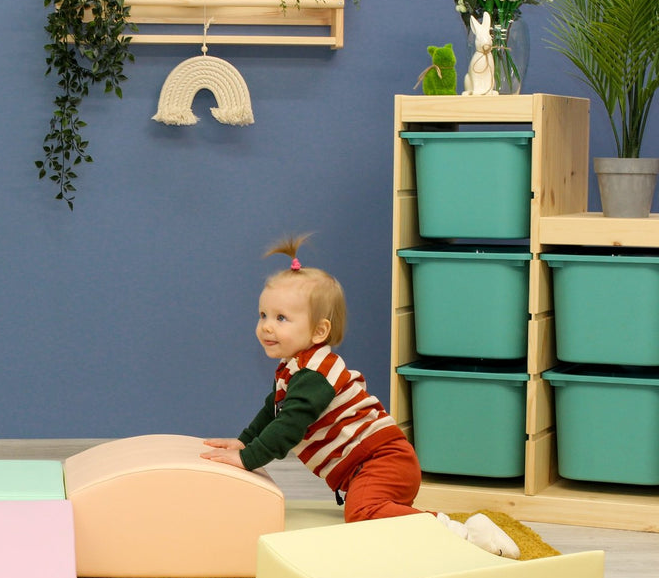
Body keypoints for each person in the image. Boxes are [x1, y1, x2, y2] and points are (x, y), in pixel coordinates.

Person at [201, 235, 520, 558]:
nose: (266, 327)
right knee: (373, 518)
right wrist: (245, 441)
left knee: (362, 513)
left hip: (382, 460)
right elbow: (273, 410)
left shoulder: (315, 376)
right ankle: (420, 530)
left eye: (281, 318)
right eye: (263, 315)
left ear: (319, 331)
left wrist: (249, 457)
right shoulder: (294, 368)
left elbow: (287, 427)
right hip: (368, 467)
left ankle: (459, 533)